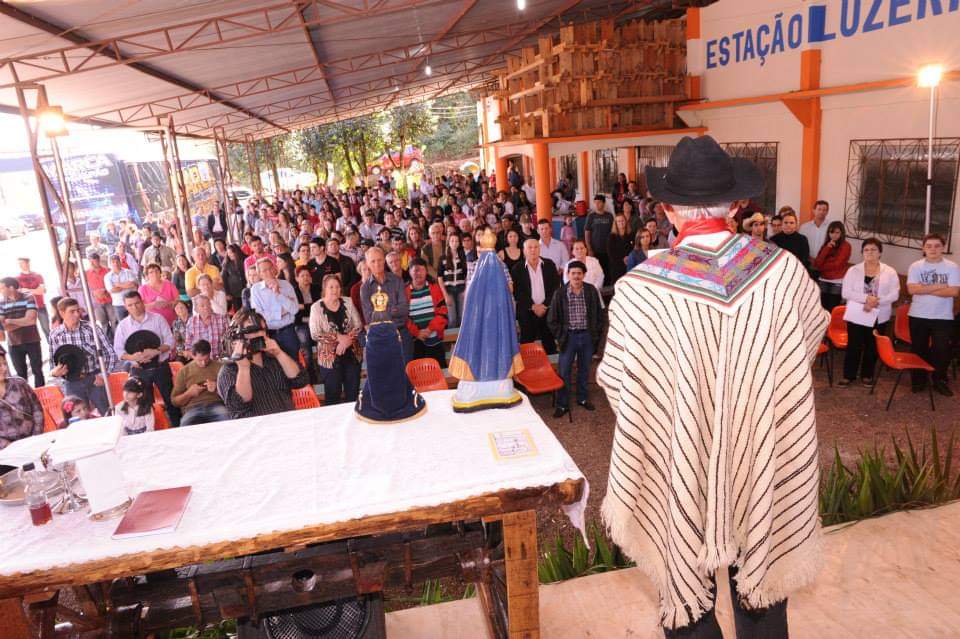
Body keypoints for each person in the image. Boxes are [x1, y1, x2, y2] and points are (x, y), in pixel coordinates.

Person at [598, 136, 828, 638]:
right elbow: (807, 341)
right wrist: (753, 390)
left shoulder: (639, 290)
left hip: (680, 454)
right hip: (763, 449)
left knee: (686, 598)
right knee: (763, 589)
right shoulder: (784, 272)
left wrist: (683, 409)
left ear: (667, 211)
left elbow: (618, 382)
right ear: (736, 205)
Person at [217, 309, 309, 419]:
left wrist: (279, 354)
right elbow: (238, 405)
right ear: (237, 336)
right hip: (255, 427)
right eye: (252, 330)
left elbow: (301, 381)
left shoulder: (275, 359)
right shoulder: (229, 370)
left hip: (286, 422)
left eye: (262, 330)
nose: (259, 334)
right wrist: (244, 368)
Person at [114, 291, 180, 427]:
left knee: (171, 401)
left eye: (137, 303)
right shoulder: (123, 326)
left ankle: (178, 428)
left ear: (142, 302)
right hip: (139, 370)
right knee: (144, 405)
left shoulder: (158, 319)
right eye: (130, 305)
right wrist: (133, 357)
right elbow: (119, 351)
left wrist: (156, 351)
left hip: (160, 366)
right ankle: (151, 431)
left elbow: (170, 341)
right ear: (125, 307)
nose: (134, 307)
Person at [839, 238, 900, 387]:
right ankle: (848, 375)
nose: (870, 252)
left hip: (878, 314)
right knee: (854, 345)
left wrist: (875, 302)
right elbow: (846, 292)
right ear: (862, 253)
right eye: (866, 250)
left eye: (873, 249)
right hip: (857, 313)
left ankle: (867, 375)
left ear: (880, 253)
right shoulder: (853, 270)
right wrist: (866, 299)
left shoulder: (890, 272)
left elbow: (894, 294)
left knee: (872, 346)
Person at [547, 260, 603, 419]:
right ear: (568, 275)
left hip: (586, 337)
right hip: (568, 338)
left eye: (579, 273)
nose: (576, 276)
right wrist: (561, 336)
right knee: (564, 371)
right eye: (573, 273)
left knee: (584, 370)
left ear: (584, 275)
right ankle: (562, 404)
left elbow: (599, 316)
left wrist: (595, 336)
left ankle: (582, 398)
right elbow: (551, 320)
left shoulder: (591, 291)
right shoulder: (560, 293)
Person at [906, 233, 960, 396]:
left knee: (942, 350)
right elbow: (911, 289)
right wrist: (939, 286)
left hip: (942, 317)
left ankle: (939, 380)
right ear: (923, 248)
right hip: (918, 315)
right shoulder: (916, 266)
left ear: (943, 248)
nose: (933, 249)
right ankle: (918, 381)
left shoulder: (952, 267)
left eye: (937, 246)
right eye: (929, 246)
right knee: (918, 349)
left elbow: (954, 292)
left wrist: (924, 288)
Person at [48, 298, 118, 416]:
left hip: (94, 378)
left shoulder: (93, 329)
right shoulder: (55, 335)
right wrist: (55, 373)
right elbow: (52, 364)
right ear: (62, 313)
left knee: (107, 413)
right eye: (72, 311)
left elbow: (111, 354)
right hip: (71, 382)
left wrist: (104, 375)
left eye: (78, 310)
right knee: (78, 417)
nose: (77, 314)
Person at [309, 275, 363, 405]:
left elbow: (358, 325)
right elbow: (315, 334)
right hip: (329, 359)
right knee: (333, 396)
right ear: (325, 289)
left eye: (338, 287)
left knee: (353, 395)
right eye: (331, 287)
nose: (335, 290)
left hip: (352, 355)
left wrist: (347, 340)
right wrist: (338, 338)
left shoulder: (348, 302)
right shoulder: (316, 308)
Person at [360, 247, 411, 361]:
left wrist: (381, 311)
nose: (377, 264)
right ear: (367, 264)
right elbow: (369, 318)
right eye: (373, 261)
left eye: (379, 260)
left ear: (384, 260)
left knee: (406, 369)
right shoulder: (365, 288)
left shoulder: (397, 280)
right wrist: (393, 309)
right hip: (380, 337)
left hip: (401, 332)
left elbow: (404, 309)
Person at [512, 239, 560, 354]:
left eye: (536, 247)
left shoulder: (549, 264)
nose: (533, 250)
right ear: (524, 251)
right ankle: (526, 365)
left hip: (547, 309)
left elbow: (555, 288)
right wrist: (533, 306)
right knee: (526, 343)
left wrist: (544, 305)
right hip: (527, 311)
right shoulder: (517, 268)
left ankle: (551, 363)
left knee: (550, 343)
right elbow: (517, 292)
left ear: (539, 249)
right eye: (530, 247)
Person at [248, 258, 300, 361]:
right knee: (275, 366)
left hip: (288, 331)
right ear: (259, 274)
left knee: (294, 363)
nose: (268, 272)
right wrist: (281, 312)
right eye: (264, 270)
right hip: (270, 334)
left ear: (275, 268)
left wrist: (278, 294)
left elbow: (294, 309)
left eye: (270, 268)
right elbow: (259, 315)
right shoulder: (256, 289)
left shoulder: (286, 285)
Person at [172, 339, 231, 425]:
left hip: (216, 405)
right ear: (193, 356)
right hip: (193, 408)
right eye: (200, 360)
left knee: (228, 422)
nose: (203, 363)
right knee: (186, 426)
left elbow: (232, 396)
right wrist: (189, 394)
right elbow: (175, 401)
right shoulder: (184, 371)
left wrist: (218, 388)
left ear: (210, 354)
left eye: (206, 359)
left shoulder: (221, 368)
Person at [0, 278, 44, 387]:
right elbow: (3, 326)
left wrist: (10, 321)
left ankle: (40, 395)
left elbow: (31, 320)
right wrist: (24, 321)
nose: (0, 291)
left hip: (32, 340)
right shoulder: (1, 303)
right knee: (20, 376)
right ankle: (25, 395)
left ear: (11, 287)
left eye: (2, 288)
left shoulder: (28, 297)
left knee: (37, 371)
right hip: (13, 344)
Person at [405, 259, 449, 367]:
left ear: (426, 272)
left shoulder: (435, 288)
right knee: (419, 373)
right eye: (415, 270)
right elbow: (403, 317)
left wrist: (430, 329)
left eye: (422, 270)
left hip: (434, 338)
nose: (418, 273)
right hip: (415, 341)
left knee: (439, 369)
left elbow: (443, 312)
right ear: (409, 272)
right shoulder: (404, 292)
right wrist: (417, 332)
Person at [0, 345, 44, 450]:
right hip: (7, 451)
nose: (4, 368)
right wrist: (10, 448)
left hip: (34, 442)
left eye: (4, 364)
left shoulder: (19, 383)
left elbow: (37, 409)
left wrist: (36, 437)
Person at [812, 221, 851, 311]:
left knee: (832, 309)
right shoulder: (826, 244)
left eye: (837, 232)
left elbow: (837, 264)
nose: (834, 235)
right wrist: (827, 248)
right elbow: (817, 263)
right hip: (823, 279)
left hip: (837, 281)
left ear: (842, 233)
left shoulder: (846, 246)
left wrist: (822, 267)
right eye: (831, 232)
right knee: (821, 308)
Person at [293, 266, 321, 383]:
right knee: (305, 344)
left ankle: (324, 372)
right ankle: (310, 376)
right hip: (301, 324)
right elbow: (295, 314)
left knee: (324, 342)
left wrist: (303, 306)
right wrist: (310, 307)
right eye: (302, 276)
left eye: (307, 275)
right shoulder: (293, 291)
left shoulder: (316, 288)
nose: (305, 278)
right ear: (297, 278)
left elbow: (319, 306)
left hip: (317, 322)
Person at [183, 295, 229, 360]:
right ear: (196, 309)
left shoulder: (221, 319)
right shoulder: (191, 322)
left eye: (208, 304)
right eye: (202, 306)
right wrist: (197, 358)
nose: (206, 307)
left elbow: (229, 341)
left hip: (219, 360)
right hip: (199, 362)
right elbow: (187, 346)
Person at [439, 232, 467, 329]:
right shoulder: (443, 258)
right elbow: (440, 278)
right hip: (449, 290)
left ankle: (462, 337)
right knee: (452, 319)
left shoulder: (463, 257)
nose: (454, 243)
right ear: (448, 242)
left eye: (456, 241)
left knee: (462, 318)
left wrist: (465, 290)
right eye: (452, 241)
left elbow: (467, 275)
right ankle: (451, 338)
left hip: (461, 289)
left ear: (459, 243)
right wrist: (445, 295)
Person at [86, 254, 117, 337]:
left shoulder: (108, 271)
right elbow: (85, 288)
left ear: (98, 260)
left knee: (114, 320)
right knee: (103, 323)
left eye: (94, 261)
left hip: (109, 300)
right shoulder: (86, 273)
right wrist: (94, 293)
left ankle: (117, 338)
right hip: (96, 302)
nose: (92, 263)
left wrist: (105, 291)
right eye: (90, 261)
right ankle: (107, 340)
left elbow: (114, 283)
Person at [584, 194, 613, 283]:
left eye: (599, 202)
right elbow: (587, 233)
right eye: (595, 202)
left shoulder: (609, 216)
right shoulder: (591, 216)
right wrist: (589, 248)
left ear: (603, 203)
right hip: (595, 249)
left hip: (608, 249)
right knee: (596, 271)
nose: (597, 204)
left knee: (607, 272)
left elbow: (613, 232)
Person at [16, 257, 48, 337]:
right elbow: (20, 292)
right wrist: (36, 290)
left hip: (40, 306)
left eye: (22, 263)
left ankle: (52, 345)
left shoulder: (38, 276)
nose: (20, 265)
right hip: (27, 309)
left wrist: (27, 290)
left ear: (28, 263)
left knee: (47, 329)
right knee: (31, 333)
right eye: (19, 263)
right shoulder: (17, 278)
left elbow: (42, 291)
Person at [104, 254, 138, 321]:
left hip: (131, 302)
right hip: (118, 304)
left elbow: (133, 284)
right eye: (113, 262)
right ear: (110, 264)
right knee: (122, 323)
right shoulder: (107, 276)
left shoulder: (128, 272)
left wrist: (119, 284)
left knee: (135, 321)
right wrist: (126, 285)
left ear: (120, 262)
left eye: (117, 261)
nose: (115, 264)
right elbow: (112, 290)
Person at [799, 200, 830, 264]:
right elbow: (800, 245)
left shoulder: (831, 227)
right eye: (819, 209)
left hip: (825, 262)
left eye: (824, 210)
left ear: (827, 212)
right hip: (807, 261)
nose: (821, 212)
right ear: (814, 210)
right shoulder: (804, 227)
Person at [606, 213, 633, 284]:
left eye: (622, 220)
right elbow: (611, 253)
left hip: (629, 264)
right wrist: (622, 259)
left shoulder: (630, 234)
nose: (621, 223)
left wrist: (629, 257)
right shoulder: (611, 237)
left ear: (626, 222)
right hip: (616, 267)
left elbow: (633, 249)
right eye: (619, 221)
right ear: (616, 223)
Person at [221, 244, 247, 313]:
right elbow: (224, 279)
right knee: (238, 312)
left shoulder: (245, 259)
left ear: (236, 252)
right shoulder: (226, 263)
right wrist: (227, 293)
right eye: (228, 253)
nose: (230, 255)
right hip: (234, 293)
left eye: (231, 252)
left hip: (246, 289)